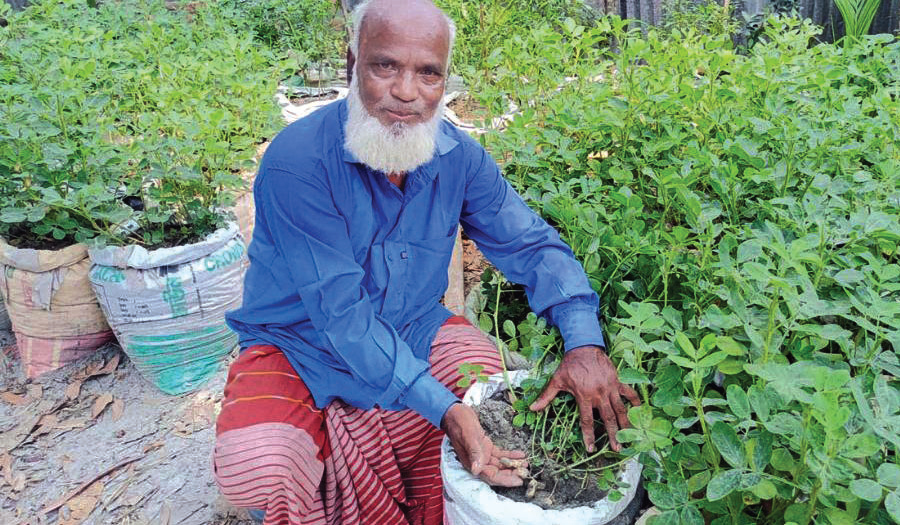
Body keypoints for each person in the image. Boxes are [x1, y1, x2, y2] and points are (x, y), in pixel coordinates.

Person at [212, 0, 640, 523]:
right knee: (260, 464)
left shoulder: (458, 156)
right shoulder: (298, 162)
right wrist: (443, 409)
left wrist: (584, 341)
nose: (407, 92)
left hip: (412, 327)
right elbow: (341, 316)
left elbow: (529, 244)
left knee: (487, 385)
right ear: (352, 64)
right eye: (385, 66)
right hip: (298, 345)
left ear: (444, 82)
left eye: (428, 73)